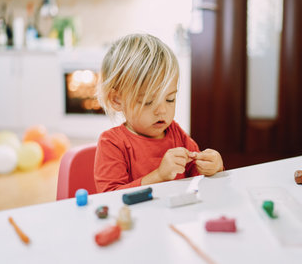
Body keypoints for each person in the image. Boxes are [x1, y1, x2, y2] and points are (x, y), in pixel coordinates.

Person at [94, 33, 224, 192]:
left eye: (170, 99)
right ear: (116, 100)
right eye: (148, 102)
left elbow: (197, 176)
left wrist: (213, 167)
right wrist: (159, 176)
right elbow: (110, 197)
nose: (162, 110)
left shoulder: (175, 133)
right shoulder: (112, 143)